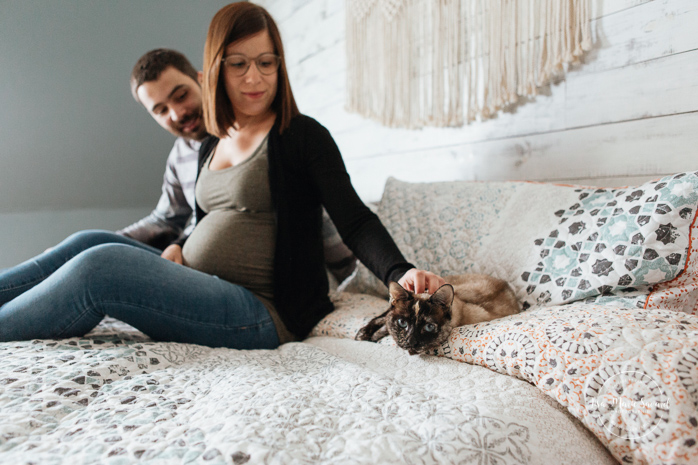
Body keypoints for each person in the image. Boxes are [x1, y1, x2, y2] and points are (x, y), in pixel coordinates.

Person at [0, 2, 444, 349]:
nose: (255, 78)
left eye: (266, 62)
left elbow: (355, 220)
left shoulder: (302, 136)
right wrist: (178, 245)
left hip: (261, 311)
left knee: (100, 268)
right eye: (238, 64)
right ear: (216, 67)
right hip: (199, 280)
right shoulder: (212, 140)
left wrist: (399, 271)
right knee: (89, 240)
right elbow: (205, 219)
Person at [119, 48, 357, 282]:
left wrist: (353, 276)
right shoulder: (179, 155)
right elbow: (166, 218)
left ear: (201, 80)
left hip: (258, 282)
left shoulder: (253, 137)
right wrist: (118, 240)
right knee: (89, 243)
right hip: (197, 269)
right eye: (161, 110)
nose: (177, 113)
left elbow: (314, 213)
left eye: (181, 96)